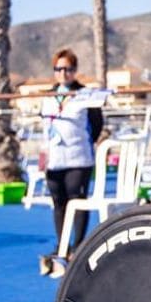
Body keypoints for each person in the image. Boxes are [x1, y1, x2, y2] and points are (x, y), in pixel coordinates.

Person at [39, 48, 103, 276]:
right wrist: (43, 154)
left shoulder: (86, 95)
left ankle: (78, 246)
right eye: (58, 69)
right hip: (54, 158)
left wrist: (86, 142)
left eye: (68, 69)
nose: (63, 73)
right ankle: (62, 245)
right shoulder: (47, 96)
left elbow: (97, 124)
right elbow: (45, 128)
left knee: (77, 198)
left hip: (79, 157)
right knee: (59, 202)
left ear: (75, 71)